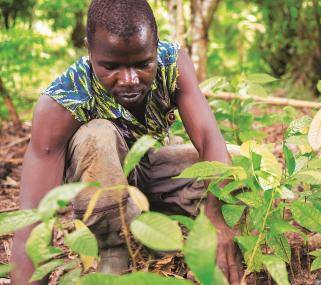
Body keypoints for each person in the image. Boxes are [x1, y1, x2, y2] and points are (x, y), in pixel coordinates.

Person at [10, 0, 243, 284]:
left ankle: (166, 235)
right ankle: (115, 249)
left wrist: (217, 220)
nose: (130, 79)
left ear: (156, 47)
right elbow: (33, 219)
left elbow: (209, 138)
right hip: (103, 195)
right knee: (96, 135)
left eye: (143, 64)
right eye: (111, 66)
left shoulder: (172, 62)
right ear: (89, 50)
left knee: (235, 163)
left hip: (151, 176)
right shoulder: (63, 99)